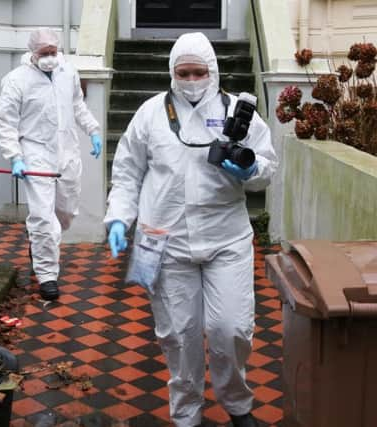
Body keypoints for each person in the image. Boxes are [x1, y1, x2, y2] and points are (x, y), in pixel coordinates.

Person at [104, 32, 278, 427]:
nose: (192, 79)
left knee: (230, 329)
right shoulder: (151, 113)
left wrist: (251, 170)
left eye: (199, 71)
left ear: (212, 71)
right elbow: (128, 172)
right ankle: (186, 414)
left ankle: (236, 403)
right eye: (184, 72)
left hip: (226, 239)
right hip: (165, 242)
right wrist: (118, 217)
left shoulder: (239, 112)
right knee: (178, 336)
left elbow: (267, 168)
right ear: (172, 73)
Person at [0, 28, 101, 301]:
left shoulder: (68, 72)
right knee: (43, 217)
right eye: (44, 54)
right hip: (35, 153)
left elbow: (78, 105)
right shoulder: (16, 81)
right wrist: (15, 156)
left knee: (64, 214)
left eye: (54, 52)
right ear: (33, 53)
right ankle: (47, 275)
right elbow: (6, 122)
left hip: (66, 152)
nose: (50, 58)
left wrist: (93, 130)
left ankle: (41, 241)